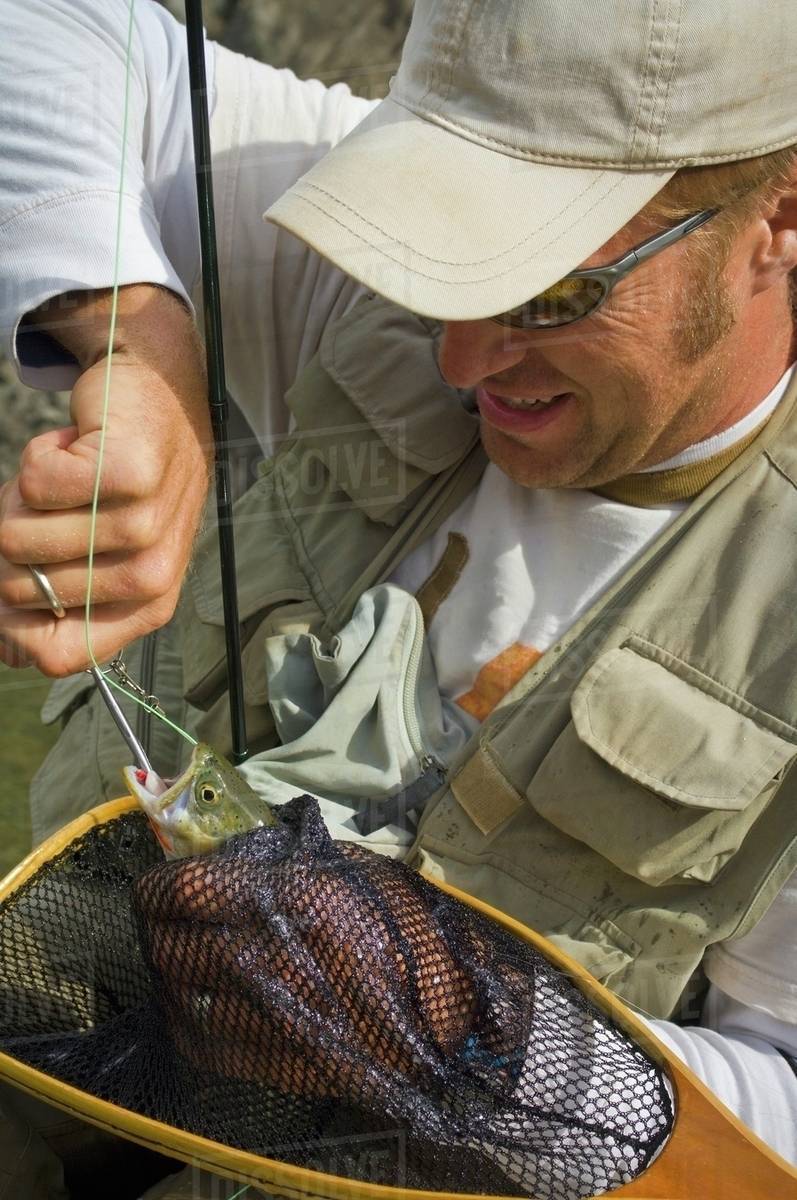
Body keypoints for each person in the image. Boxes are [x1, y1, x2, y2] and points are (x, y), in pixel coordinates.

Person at [0, 0, 796, 1194]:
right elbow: (51, 31)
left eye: (549, 293)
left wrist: (473, 1028)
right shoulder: (372, 298)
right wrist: (140, 352)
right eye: (438, 266)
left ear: (773, 221)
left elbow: (773, 1116)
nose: (462, 359)